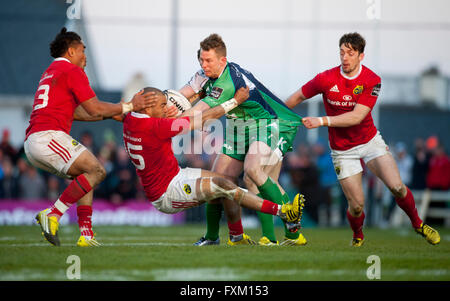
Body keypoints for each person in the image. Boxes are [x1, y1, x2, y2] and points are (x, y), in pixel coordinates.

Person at [285, 32, 440, 246]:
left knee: (397, 187)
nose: (345, 57)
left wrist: (321, 121)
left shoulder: (371, 79)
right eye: (342, 53)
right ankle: (358, 236)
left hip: (369, 142)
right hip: (342, 150)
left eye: (351, 53)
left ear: (361, 56)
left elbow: (357, 117)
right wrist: (277, 116)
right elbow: (297, 97)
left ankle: (418, 224)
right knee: (357, 206)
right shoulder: (326, 78)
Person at [25, 27, 157, 247]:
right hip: (47, 137)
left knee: (87, 177)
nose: (85, 56)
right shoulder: (72, 71)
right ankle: (53, 214)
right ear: (70, 51)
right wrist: (131, 105)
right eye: (82, 50)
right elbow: (95, 108)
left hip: (36, 142)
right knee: (97, 170)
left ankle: (86, 235)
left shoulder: (51, 71)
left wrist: (117, 113)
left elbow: (80, 113)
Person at [179, 34, 306, 246]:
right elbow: (183, 95)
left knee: (253, 170)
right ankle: (220, 237)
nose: (203, 64)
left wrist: (164, 121)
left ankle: (289, 224)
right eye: (201, 59)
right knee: (218, 180)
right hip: (237, 129)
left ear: (222, 60)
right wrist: (166, 102)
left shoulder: (227, 82)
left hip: (264, 124)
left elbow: (199, 112)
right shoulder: (204, 75)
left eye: (208, 60)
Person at [122, 87, 304, 231]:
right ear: (147, 107)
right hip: (167, 193)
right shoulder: (156, 126)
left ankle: (236, 236)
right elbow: (203, 118)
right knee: (222, 186)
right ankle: (283, 212)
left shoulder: (130, 118)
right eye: (162, 105)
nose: (166, 109)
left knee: (226, 180)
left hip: (175, 175)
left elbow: (117, 113)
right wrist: (235, 101)